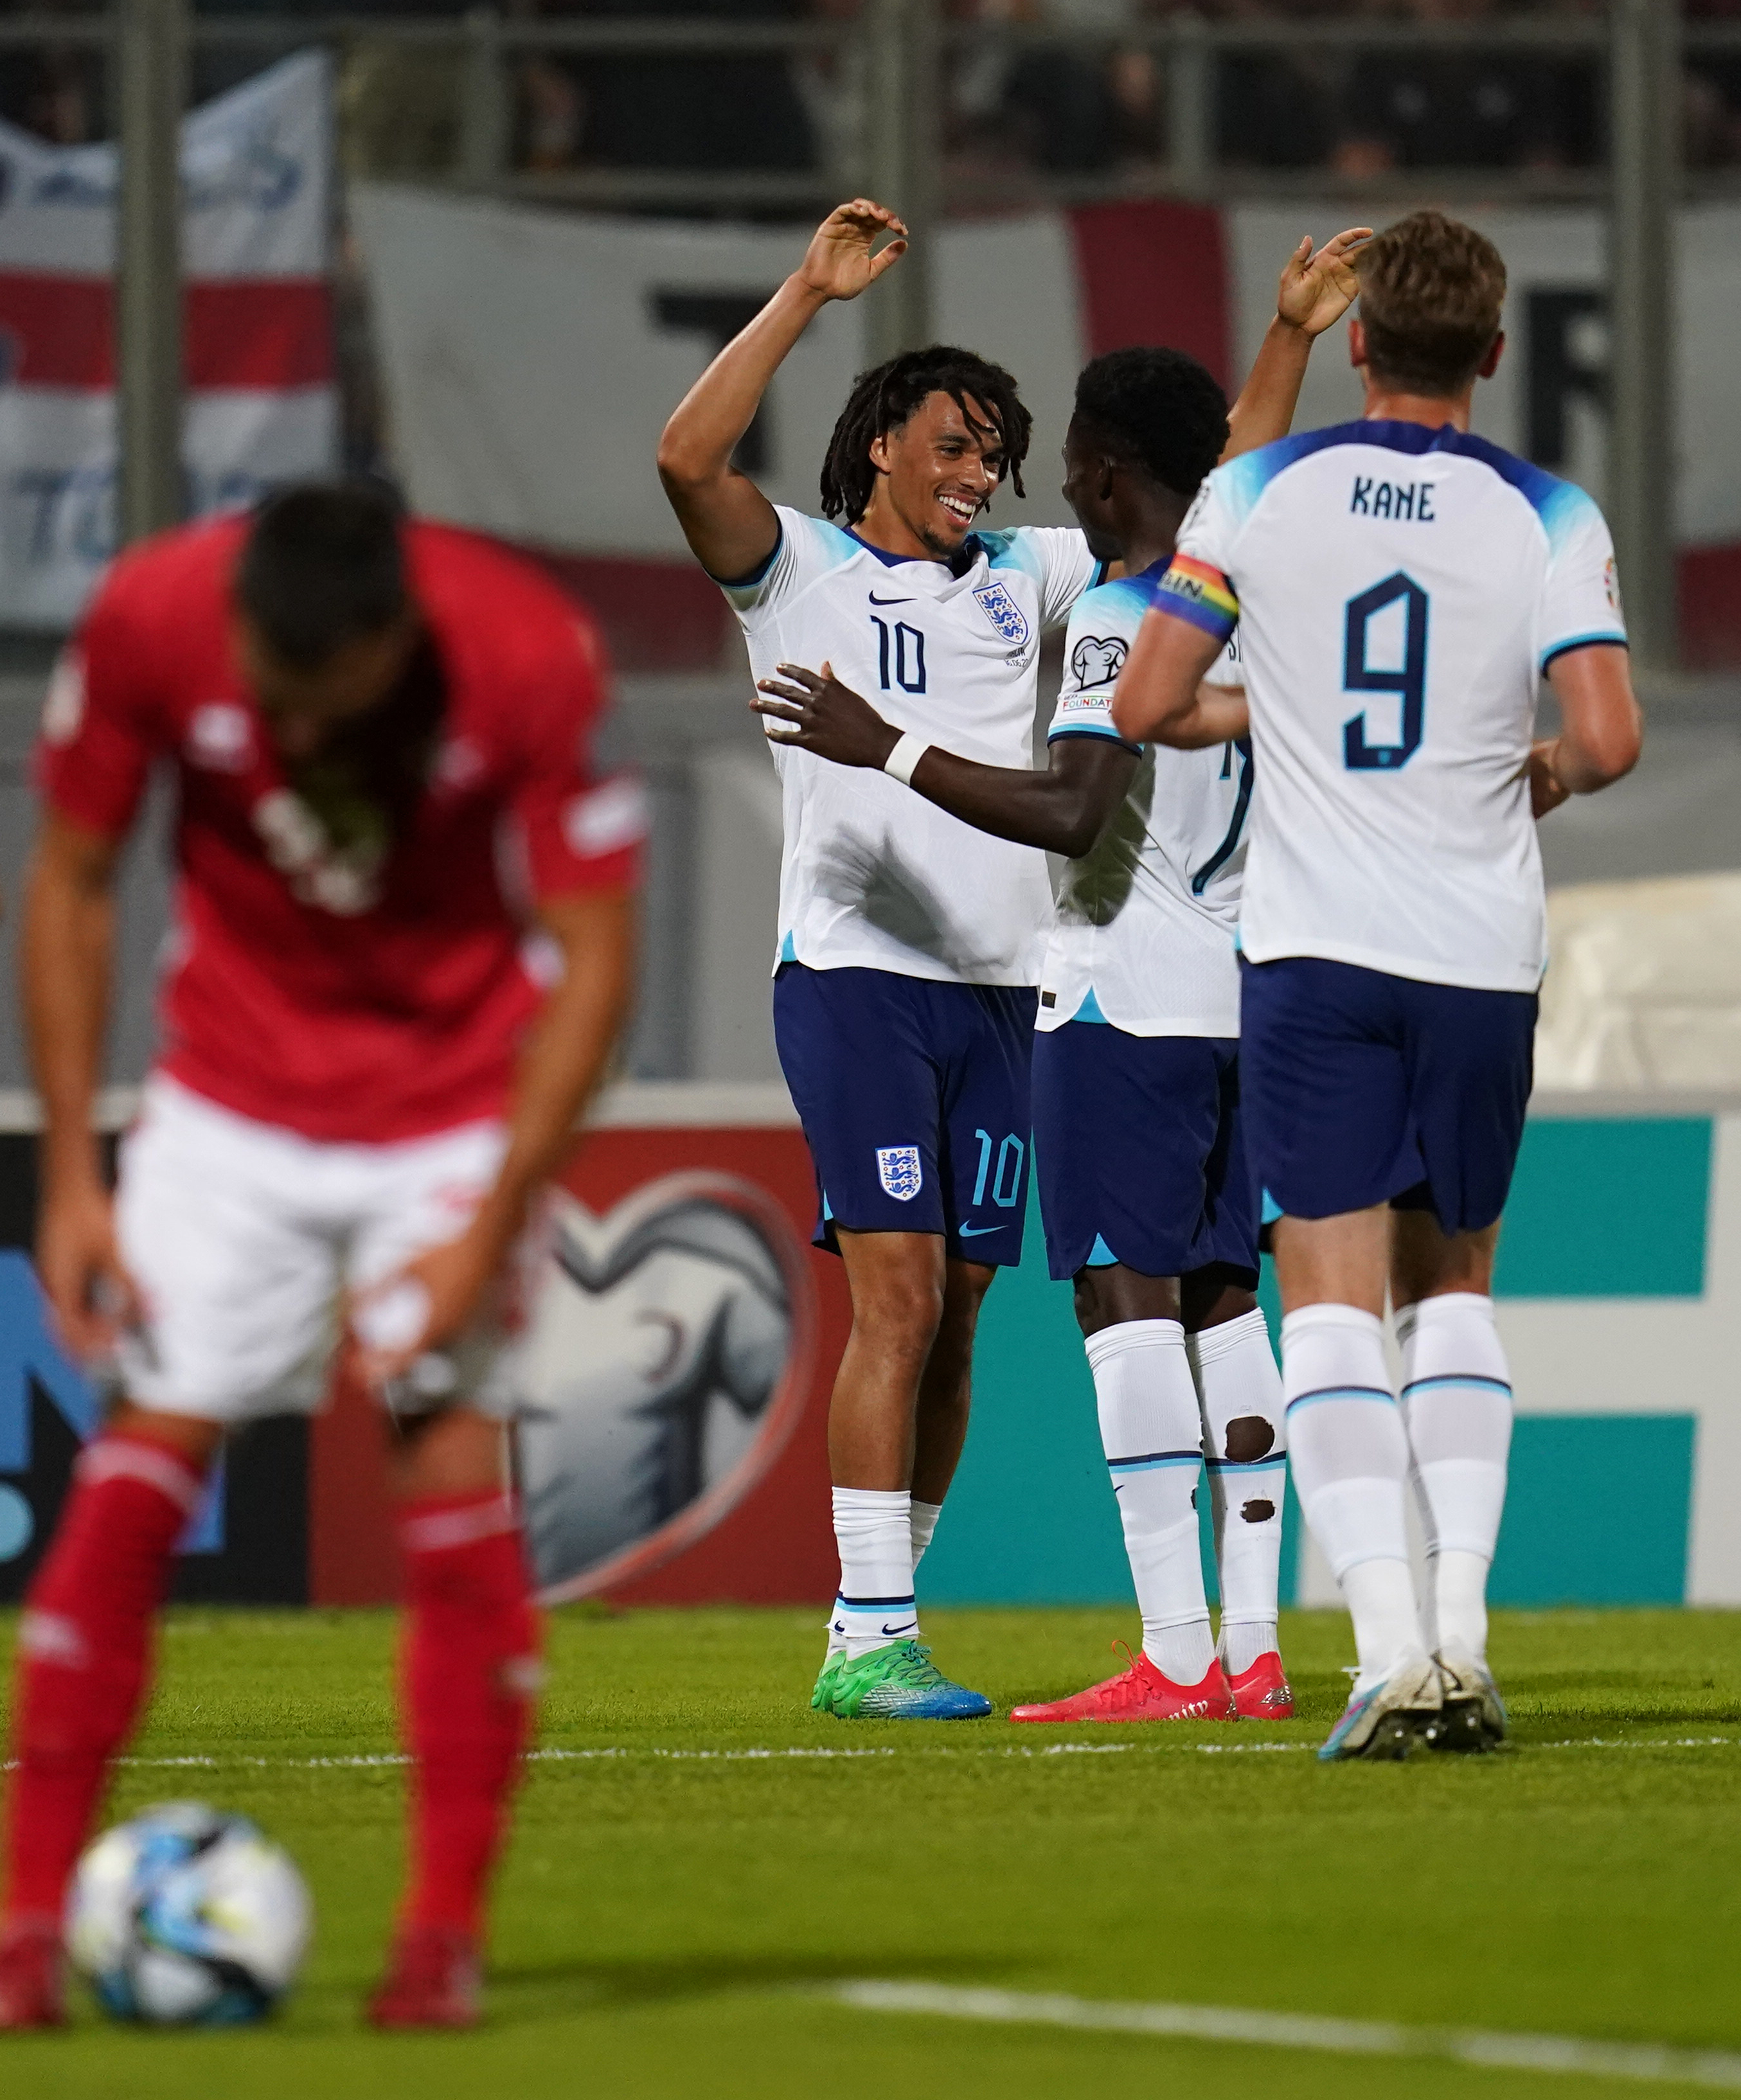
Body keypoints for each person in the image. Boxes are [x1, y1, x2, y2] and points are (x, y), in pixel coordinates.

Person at [0, 481, 642, 2030]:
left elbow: (597, 950)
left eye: (323, 703)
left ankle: (438, 1943)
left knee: (449, 1473)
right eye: (270, 698)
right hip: (229, 1103)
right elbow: (69, 876)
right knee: (142, 1456)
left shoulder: (528, 648)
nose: (295, 731)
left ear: (396, 640)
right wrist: (70, 1170)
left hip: (454, 1108)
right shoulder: (148, 614)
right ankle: (15, 1935)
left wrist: (490, 1218)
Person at [746, 229, 1373, 1727]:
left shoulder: (1104, 615)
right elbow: (1227, 469)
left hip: (1110, 999)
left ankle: (1170, 1653)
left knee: (1124, 1301)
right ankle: (1252, 1646)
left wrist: (880, 743)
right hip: (1238, 996)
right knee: (1231, 1309)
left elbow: (1078, 808)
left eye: (1062, 460)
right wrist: (1280, 338)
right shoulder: (1237, 591)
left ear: (1098, 476)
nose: (1040, 484)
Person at [1109, 209, 1645, 1762]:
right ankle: (1466, 1637)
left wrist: (1266, 709)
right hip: (1476, 951)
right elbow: (1605, 739)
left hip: (1315, 950)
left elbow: (1147, 700)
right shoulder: (1548, 510)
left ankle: (1385, 1648)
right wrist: (1536, 765)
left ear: (1353, 343)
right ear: (1490, 351)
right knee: (1453, 1287)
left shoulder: (1258, 489)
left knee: (1327, 1298)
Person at [657, 199, 1105, 1724]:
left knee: (963, 1312)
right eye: (954, 445)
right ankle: (864, 1633)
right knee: (898, 1299)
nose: (979, 474)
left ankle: (884, 1613)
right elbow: (683, 460)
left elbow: (1196, 506)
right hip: (853, 975)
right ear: (879, 450)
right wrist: (801, 287)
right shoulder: (793, 568)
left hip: (1007, 986)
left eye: (995, 452)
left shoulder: (1025, 575)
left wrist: (1290, 342)